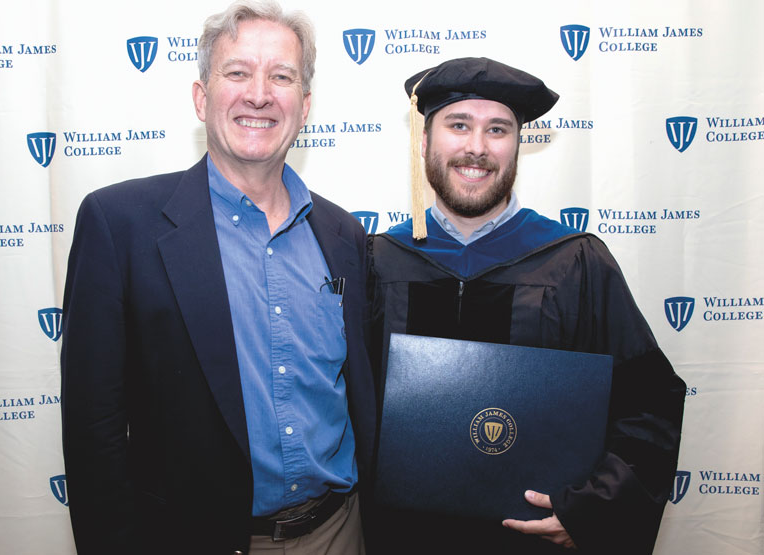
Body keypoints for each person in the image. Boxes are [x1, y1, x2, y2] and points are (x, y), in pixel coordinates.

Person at [60, 2, 375, 554]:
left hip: (338, 533)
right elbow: (94, 431)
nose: (259, 93)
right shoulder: (120, 225)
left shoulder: (344, 235)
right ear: (201, 97)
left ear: (304, 106)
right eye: (237, 72)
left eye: (281, 76)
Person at [368, 57, 686, 554]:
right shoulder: (380, 261)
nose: (477, 147)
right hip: (400, 538)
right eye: (458, 125)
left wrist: (589, 510)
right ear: (424, 140)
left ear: (518, 144)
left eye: (498, 129)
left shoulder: (573, 263)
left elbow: (649, 403)